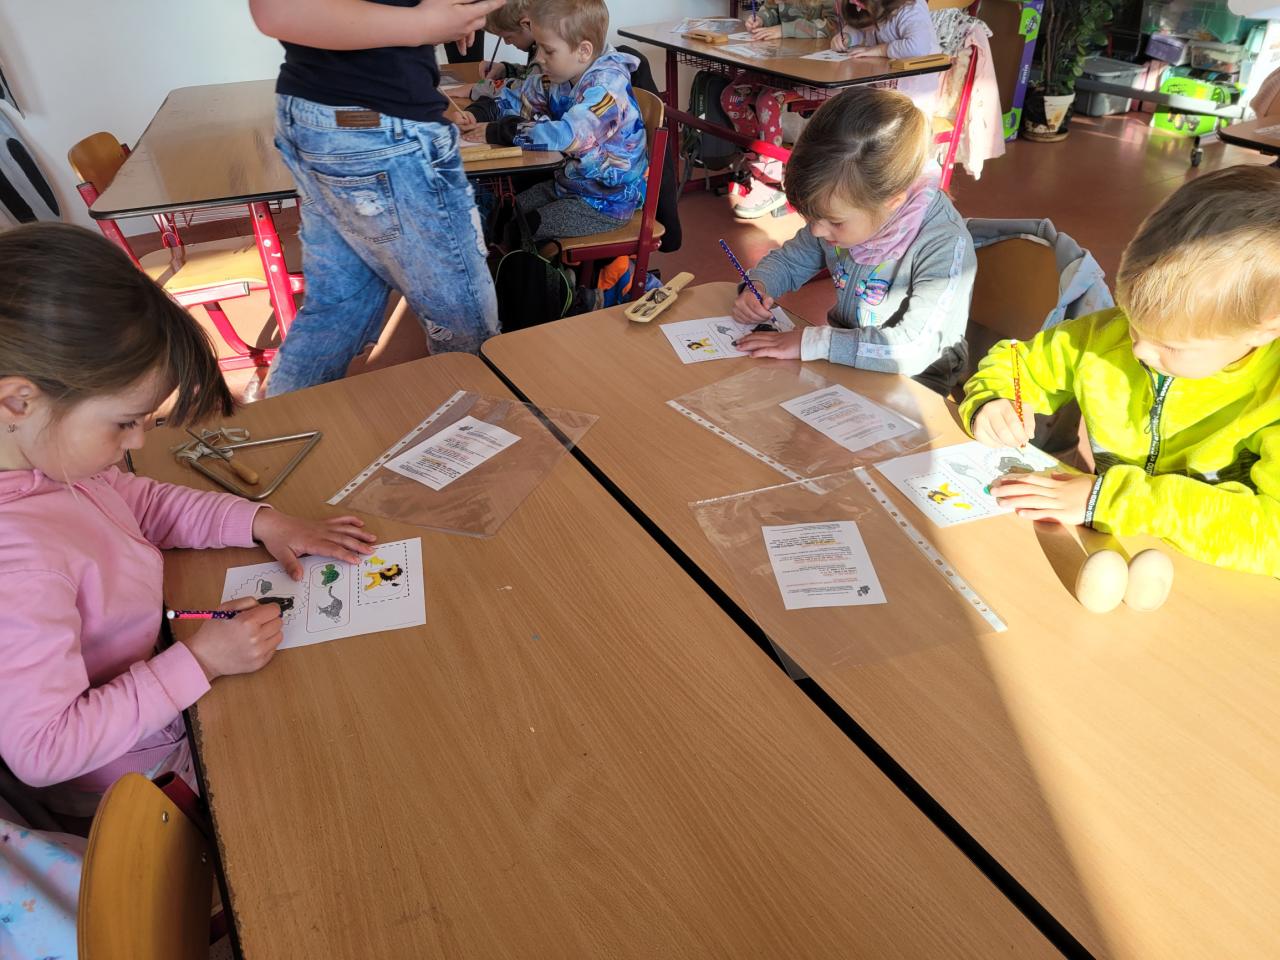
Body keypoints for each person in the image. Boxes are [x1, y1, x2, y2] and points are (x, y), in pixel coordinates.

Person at [0, 224, 377, 815]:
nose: (139, 441)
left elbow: (141, 504)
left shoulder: (46, 459)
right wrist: (201, 661)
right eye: (125, 422)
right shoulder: (20, 566)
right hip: (138, 781)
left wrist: (261, 522)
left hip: (162, 681)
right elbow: (45, 748)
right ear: (18, 401)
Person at [960, 165, 1280, 577]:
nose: (1140, 349)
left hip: (1214, 582)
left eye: (1171, 346)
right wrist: (994, 398)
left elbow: (1271, 534)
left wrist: (1112, 500)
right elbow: (1018, 365)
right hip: (1110, 553)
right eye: (1133, 321)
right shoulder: (1104, 336)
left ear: (1266, 327)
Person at [248, 0, 505, 396]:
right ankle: (478, 433)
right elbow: (277, 11)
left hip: (332, 116)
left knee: (337, 309)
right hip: (374, 125)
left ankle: (275, 426)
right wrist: (425, 23)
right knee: (467, 328)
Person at [733, 87, 974, 396]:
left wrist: (814, 342)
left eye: (834, 221)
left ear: (893, 202)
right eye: (812, 217)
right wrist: (760, 285)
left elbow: (915, 348)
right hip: (844, 351)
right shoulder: (845, 213)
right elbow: (791, 261)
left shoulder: (943, 244)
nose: (817, 231)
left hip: (918, 378)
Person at [467, 0, 648, 241]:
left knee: (522, 229)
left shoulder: (606, 89)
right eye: (538, 48)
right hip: (570, 184)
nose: (539, 58)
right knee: (505, 213)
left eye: (548, 50)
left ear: (583, 51)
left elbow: (567, 135)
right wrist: (477, 113)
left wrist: (500, 131)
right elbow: (520, 96)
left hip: (607, 201)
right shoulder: (562, 75)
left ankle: (548, 266)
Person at [724, 1, 838, 219]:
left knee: (767, 101)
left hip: (817, 72)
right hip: (781, 64)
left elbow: (832, 26)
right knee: (732, 96)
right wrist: (760, 20)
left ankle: (771, 183)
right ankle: (758, 165)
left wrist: (783, 30)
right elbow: (771, 10)